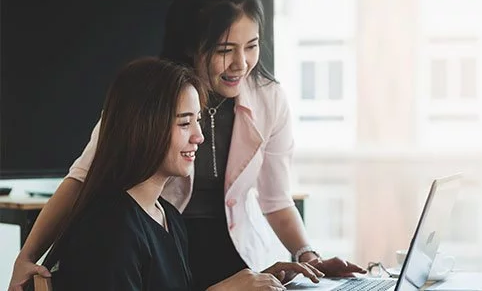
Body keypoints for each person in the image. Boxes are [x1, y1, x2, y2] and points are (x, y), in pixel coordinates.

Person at [9, 0, 366, 290]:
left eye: (252, 46)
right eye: (226, 49)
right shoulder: (151, 98)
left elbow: (276, 198)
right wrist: (27, 257)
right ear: (194, 45)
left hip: (203, 249)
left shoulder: (267, 98)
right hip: (153, 253)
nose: (241, 64)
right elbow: (83, 178)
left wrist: (306, 256)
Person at [26, 57, 323, 291]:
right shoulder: (110, 228)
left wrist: (257, 281)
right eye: (184, 124)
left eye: (197, 122)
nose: (199, 137)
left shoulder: (168, 216)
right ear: (144, 128)